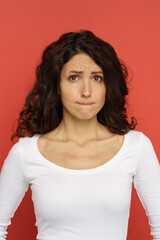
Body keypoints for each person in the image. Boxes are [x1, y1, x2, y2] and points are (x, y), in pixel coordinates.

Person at [0, 30, 160, 240]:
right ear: (57, 85)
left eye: (96, 78)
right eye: (74, 77)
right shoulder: (26, 153)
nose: (86, 91)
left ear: (107, 86)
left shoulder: (136, 147)